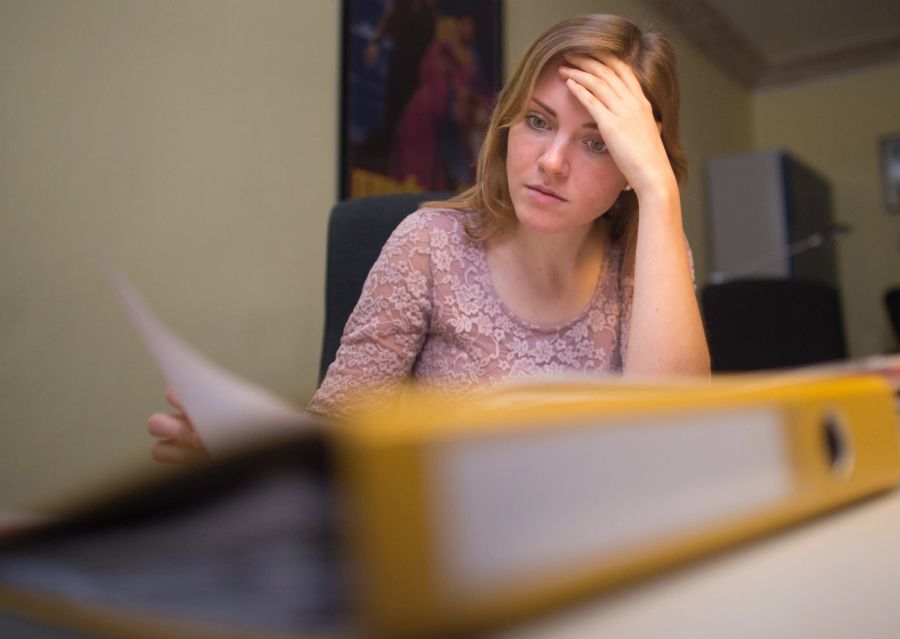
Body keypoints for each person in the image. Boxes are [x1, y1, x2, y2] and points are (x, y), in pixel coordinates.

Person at [148, 14, 710, 463]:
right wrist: (258, 462)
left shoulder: (651, 258)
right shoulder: (429, 246)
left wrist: (660, 192)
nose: (552, 162)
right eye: (538, 122)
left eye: (598, 143)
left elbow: (677, 447)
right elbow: (340, 430)